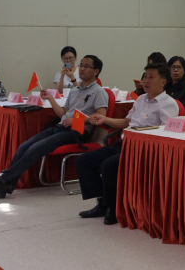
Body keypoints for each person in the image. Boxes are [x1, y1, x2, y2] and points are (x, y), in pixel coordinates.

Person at [0, 55, 108, 199]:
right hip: (61, 127)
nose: (82, 69)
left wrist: (75, 120)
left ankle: (3, 179)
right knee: (24, 146)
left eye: (86, 66)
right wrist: (51, 99)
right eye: (81, 65)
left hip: (77, 132)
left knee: (36, 148)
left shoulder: (99, 92)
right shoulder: (75, 90)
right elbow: (63, 113)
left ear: (96, 71)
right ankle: (6, 186)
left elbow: (100, 117)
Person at [76, 63, 179, 225]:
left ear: (163, 81)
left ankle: (113, 209)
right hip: (124, 143)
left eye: (151, 77)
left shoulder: (169, 104)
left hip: (144, 149)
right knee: (83, 160)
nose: (146, 81)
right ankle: (102, 203)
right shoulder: (141, 99)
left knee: (108, 166)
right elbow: (126, 122)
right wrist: (105, 119)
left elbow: (167, 133)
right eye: (145, 77)